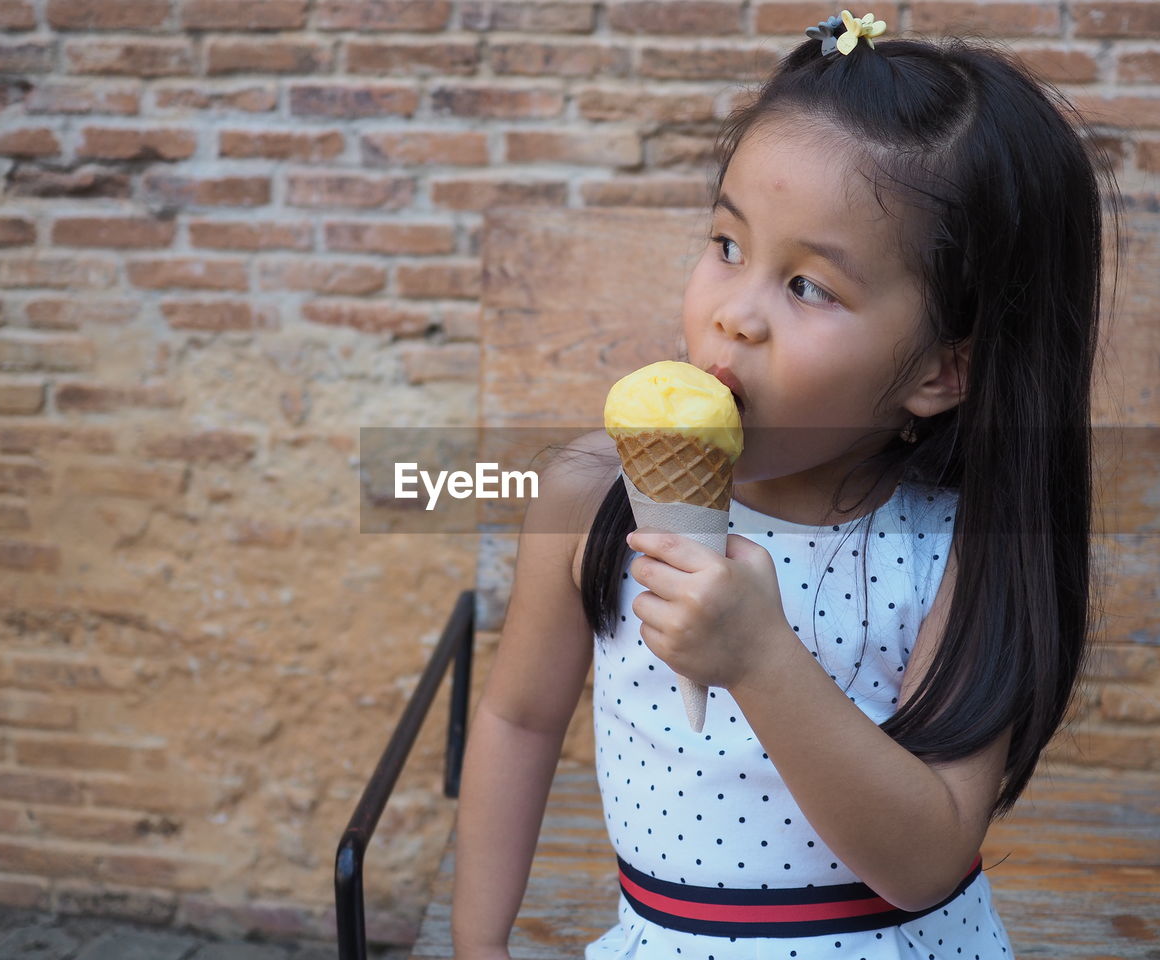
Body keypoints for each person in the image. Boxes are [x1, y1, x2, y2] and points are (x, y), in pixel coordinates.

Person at [452, 11, 1116, 959]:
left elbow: (929, 854)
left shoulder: (955, 543)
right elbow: (517, 720)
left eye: (809, 287)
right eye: (727, 245)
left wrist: (762, 659)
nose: (734, 317)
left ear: (941, 371)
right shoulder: (590, 494)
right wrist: (479, 948)